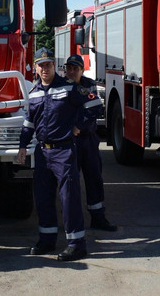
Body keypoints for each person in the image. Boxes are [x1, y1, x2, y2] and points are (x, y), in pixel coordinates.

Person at [16, 48, 95, 262]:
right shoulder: (33, 93)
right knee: (43, 198)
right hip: (42, 152)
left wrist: (79, 126)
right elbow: (29, 123)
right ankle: (47, 240)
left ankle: (77, 245)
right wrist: (23, 146)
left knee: (69, 198)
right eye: (41, 65)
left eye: (48, 64)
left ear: (54, 66)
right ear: (36, 68)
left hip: (64, 151)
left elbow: (94, 104)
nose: (44, 69)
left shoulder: (69, 87)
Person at [64, 55, 117, 232]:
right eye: (69, 68)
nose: (71, 72)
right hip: (69, 141)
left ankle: (98, 218)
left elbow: (94, 108)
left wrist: (78, 125)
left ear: (82, 70)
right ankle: (71, 220)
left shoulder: (88, 85)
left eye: (75, 68)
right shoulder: (61, 85)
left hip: (88, 139)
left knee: (94, 178)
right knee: (70, 182)